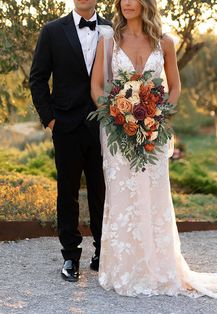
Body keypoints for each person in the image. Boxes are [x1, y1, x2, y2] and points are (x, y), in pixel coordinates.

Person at [91, 0, 217, 301]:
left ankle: (158, 268)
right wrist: (117, 116)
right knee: (121, 198)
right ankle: (123, 270)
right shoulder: (109, 41)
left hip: (154, 133)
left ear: (146, 3)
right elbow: (96, 88)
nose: (127, 2)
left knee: (154, 198)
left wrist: (160, 114)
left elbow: (176, 86)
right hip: (119, 133)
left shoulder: (165, 42)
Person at [29, 0, 112, 282]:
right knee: (67, 192)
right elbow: (38, 79)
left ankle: (103, 253)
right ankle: (70, 256)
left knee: (103, 192)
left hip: (104, 126)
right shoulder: (52, 31)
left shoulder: (113, 29)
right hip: (65, 127)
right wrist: (51, 120)